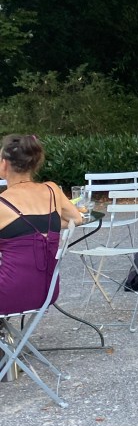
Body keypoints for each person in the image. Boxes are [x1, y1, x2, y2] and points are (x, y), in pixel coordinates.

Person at [0, 134, 83, 316]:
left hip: (8, 294)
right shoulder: (52, 190)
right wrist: (46, 225)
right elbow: (76, 219)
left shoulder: (2, 204)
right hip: (47, 292)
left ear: (4, 164)